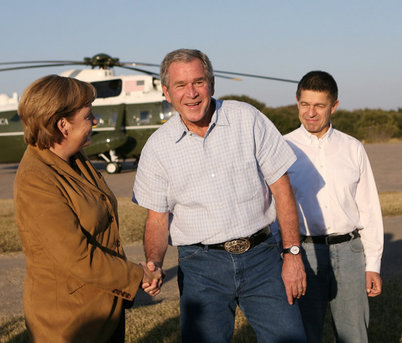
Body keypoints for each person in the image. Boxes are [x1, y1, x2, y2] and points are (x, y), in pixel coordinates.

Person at [132, 49, 306, 342]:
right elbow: (157, 219)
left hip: (262, 259)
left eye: (198, 82)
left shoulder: (246, 118)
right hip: (201, 268)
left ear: (211, 83)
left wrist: (292, 254)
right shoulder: (157, 148)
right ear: (166, 92)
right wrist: (155, 261)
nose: (191, 93)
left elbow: (282, 189)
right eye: (180, 85)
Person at [14, 75, 162, 342]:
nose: (95, 121)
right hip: (70, 323)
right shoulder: (36, 179)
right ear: (63, 125)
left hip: (101, 307)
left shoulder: (74, 160)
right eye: (87, 115)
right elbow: (78, 257)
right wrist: (138, 275)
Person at [273, 71, 384, 342]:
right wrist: (283, 256)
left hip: (350, 252)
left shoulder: (353, 147)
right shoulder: (282, 148)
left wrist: (374, 264)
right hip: (304, 253)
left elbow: (369, 209)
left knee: (354, 335)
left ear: (333, 106)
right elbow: (273, 210)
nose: (311, 113)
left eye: (319, 106)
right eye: (305, 104)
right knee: (306, 333)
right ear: (297, 102)